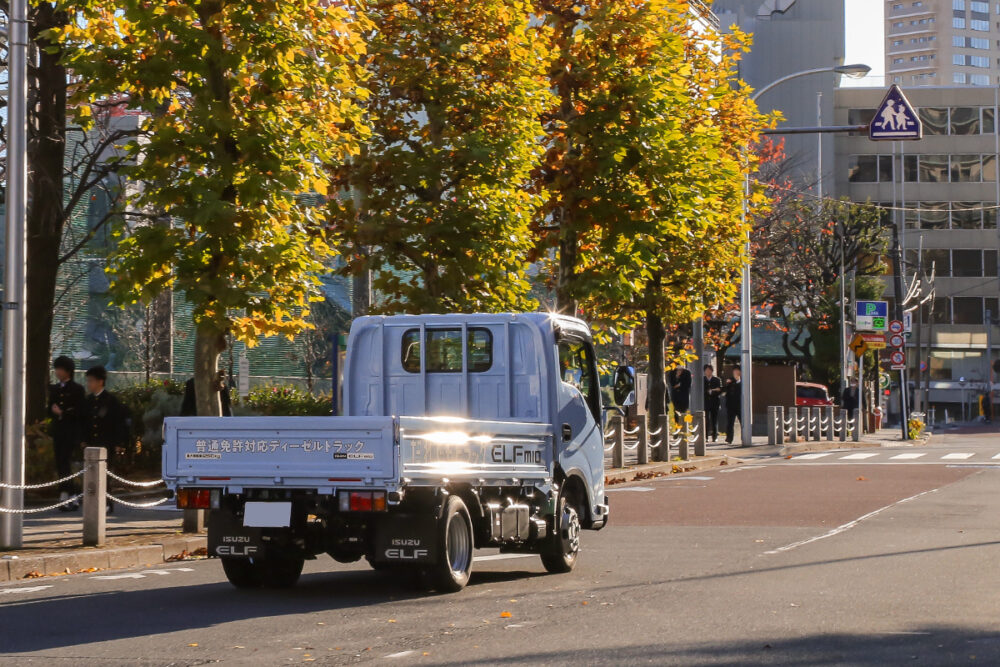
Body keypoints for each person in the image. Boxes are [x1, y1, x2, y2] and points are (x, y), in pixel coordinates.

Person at [83, 366, 128, 512]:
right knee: (91, 475)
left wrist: (119, 443)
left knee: (105, 475)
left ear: (100, 381)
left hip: (107, 443)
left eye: (91, 381)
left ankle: (107, 502)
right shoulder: (88, 400)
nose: (89, 384)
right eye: (87, 381)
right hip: (92, 443)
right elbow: (83, 422)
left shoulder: (111, 400)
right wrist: (83, 440)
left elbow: (119, 423)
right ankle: (93, 504)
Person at [49, 356, 85, 511]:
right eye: (56, 369)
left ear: (68, 371)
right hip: (58, 432)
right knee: (60, 462)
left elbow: (79, 411)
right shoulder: (54, 389)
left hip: (71, 432)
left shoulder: (77, 389)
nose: (57, 372)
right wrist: (53, 411)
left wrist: (63, 412)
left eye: (60, 369)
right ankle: (69, 493)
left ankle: (67, 493)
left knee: (67, 462)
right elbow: (49, 408)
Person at [703, 364, 722, 443]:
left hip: (715, 402)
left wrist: (713, 391)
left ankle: (715, 436)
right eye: (706, 370)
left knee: (714, 420)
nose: (708, 372)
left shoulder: (717, 379)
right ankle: (705, 436)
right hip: (705, 402)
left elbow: (720, 389)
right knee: (706, 420)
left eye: (709, 370)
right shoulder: (702, 379)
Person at [724, 366, 743, 446]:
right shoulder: (730, 381)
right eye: (734, 371)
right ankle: (729, 438)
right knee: (730, 422)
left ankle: (744, 437)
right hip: (731, 405)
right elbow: (726, 391)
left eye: (737, 371)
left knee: (743, 422)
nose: (735, 373)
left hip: (740, 405)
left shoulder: (743, 381)